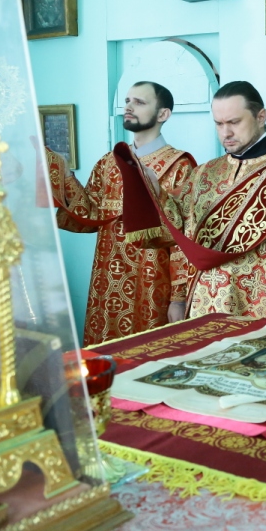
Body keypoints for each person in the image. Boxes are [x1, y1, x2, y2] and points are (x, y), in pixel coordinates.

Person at [139, 81, 266, 324]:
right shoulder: (203, 174)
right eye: (219, 124)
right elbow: (180, 236)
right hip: (205, 308)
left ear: (260, 117)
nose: (226, 133)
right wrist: (156, 192)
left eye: (234, 122)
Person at [47, 81, 195, 346]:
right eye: (127, 101)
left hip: (152, 282)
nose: (129, 107)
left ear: (163, 114)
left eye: (139, 102)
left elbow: (184, 239)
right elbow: (88, 216)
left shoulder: (179, 166)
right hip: (108, 280)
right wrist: (64, 172)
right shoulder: (108, 162)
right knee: (107, 353)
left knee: (150, 352)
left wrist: (179, 298)